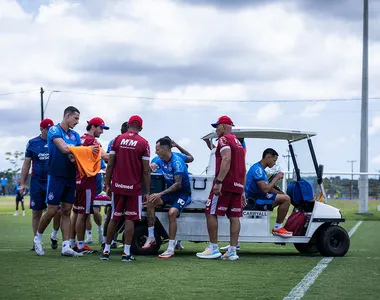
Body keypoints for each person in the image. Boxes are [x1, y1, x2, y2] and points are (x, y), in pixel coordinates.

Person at [33, 106, 95, 257]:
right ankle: (38, 239)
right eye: (75, 118)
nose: (77, 122)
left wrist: (79, 155)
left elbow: (75, 155)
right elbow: (64, 148)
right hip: (55, 175)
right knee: (53, 211)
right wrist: (86, 150)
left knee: (67, 210)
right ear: (67, 116)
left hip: (70, 177)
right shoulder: (55, 130)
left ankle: (66, 246)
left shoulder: (75, 135)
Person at [101, 115, 150, 262]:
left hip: (117, 186)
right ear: (140, 128)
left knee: (114, 217)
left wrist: (108, 183)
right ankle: (126, 253)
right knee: (130, 218)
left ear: (128, 125)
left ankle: (106, 251)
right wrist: (147, 192)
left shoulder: (117, 140)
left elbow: (110, 164)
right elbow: (146, 171)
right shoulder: (144, 143)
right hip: (134, 188)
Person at [196, 116, 246, 261]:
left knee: (210, 212)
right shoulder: (238, 143)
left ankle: (213, 248)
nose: (216, 129)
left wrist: (219, 181)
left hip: (225, 184)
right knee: (235, 216)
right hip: (237, 186)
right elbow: (243, 167)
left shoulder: (224, 140)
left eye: (217, 126)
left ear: (224, 126)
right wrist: (242, 189)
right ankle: (232, 250)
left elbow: (226, 159)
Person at [143, 137, 192, 259]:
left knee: (172, 213)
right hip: (169, 193)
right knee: (151, 202)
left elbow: (178, 184)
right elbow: (150, 167)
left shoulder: (177, 161)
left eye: (157, 149)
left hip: (182, 193)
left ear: (165, 149)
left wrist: (160, 194)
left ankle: (171, 248)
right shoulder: (160, 159)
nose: (156, 152)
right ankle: (151, 237)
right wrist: (150, 167)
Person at [20, 118, 61, 251]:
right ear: (41, 129)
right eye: (47, 129)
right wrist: (22, 183)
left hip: (53, 180)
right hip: (37, 182)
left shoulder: (56, 141)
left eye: (51, 129)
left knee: (57, 211)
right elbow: (26, 164)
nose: (50, 132)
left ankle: (54, 235)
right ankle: (36, 241)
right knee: (36, 212)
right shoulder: (32, 143)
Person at [69, 117, 109, 254]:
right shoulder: (93, 141)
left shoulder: (79, 139)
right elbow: (106, 157)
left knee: (76, 212)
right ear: (93, 127)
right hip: (87, 181)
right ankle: (80, 246)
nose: (102, 131)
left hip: (77, 180)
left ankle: (72, 242)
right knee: (83, 214)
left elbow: (71, 157)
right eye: (101, 128)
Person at [245, 148, 292, 237]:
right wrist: (276, 177)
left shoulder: (261, 169)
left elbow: (269, 188)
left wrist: (280, 193)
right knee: (286, 199)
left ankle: (277, 227)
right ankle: (277, 228)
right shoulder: (257, 170)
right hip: (253, 201)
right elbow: (265, 189)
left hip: (258, 198)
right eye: (274, 161)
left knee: (285, 197)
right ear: (268, 157)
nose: (274, 163)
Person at [84, 159, 106, 245]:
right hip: (86, 184)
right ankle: (89, 237)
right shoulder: (84, 153)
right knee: (86, 212)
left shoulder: (98, 157)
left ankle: (100, 230)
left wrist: (106, 182)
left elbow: (104, 169)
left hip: (96, 186)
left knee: (95, 210)